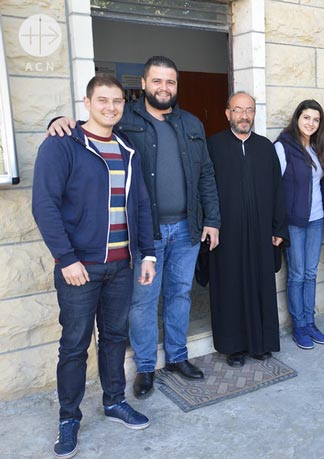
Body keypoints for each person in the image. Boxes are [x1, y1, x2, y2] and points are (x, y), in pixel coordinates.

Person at [48, 56, 221, 400]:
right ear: (143, 84)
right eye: (157, 81)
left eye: (170, 82)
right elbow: (89, 128)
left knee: (180, 295)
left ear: (176, 86)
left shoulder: (191, 124)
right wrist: (58, 121)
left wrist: (212, 220)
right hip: (145, 231)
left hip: (187, 228)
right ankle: (145, 366)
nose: (164, 88)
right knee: (143, 303)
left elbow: (206, 174)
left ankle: (176, 357)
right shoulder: (124, 117)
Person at [33, 75, 156, 459]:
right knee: (74, 346)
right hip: (80, 269)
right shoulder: (62, 145)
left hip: (121, 266)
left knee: (115, 338)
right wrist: (66, 258)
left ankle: (114, 401)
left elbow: (139, 205)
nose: (110, 107)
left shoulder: (127, 147)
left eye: (117, 101)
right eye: (102, 100)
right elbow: (45, 205)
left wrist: (147, 254)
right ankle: (69, 418)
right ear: (86, 102)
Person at [206, 92, 289, 367]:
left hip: (261, 232)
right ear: (227, 113)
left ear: (254, 114)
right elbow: (204, 189)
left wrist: (278, 227)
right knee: (229, 287)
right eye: (238, 110)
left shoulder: (265, 147)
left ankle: (260, 343)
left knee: (259, 285)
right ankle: (234, 347)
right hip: (226, 234)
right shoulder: (213, 146)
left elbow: (278, 189)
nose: (244, 115)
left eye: (249, 110)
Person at [274, 100, 324, 350]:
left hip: (316, 220)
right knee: (296, 274)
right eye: (306, 117)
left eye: (316, 120)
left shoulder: (316, 148)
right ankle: (299, 325)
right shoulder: (283, 146)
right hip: (295, 222)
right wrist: (277, 226)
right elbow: (274, 189)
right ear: (297, 118)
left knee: (310, 273)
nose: (311, 123)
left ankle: (310, 321)